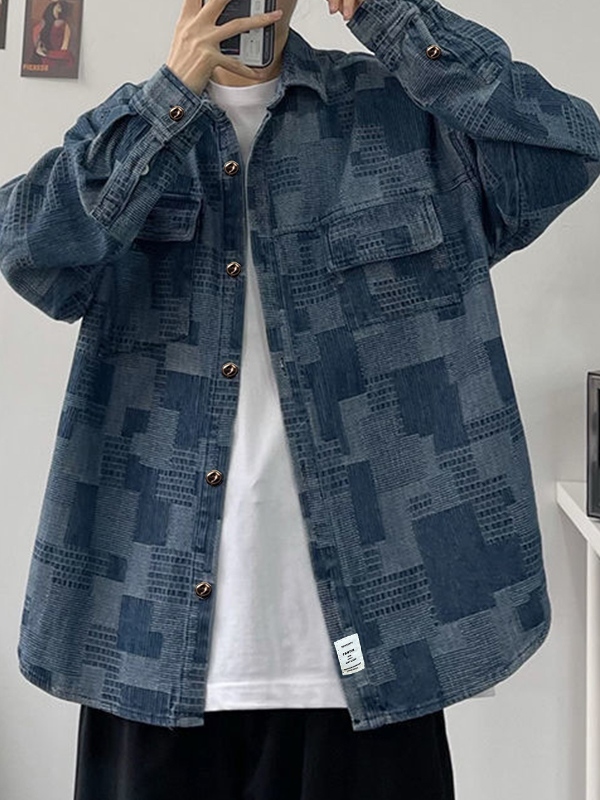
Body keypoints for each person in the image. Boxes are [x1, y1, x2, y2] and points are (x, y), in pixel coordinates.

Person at [1, 0, 599, 797]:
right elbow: (31, 252)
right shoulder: (132, 138)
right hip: (149, 647)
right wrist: (169, 97)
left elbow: (567, 148)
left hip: (383, 657)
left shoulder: (403, 118)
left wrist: (394, 16)